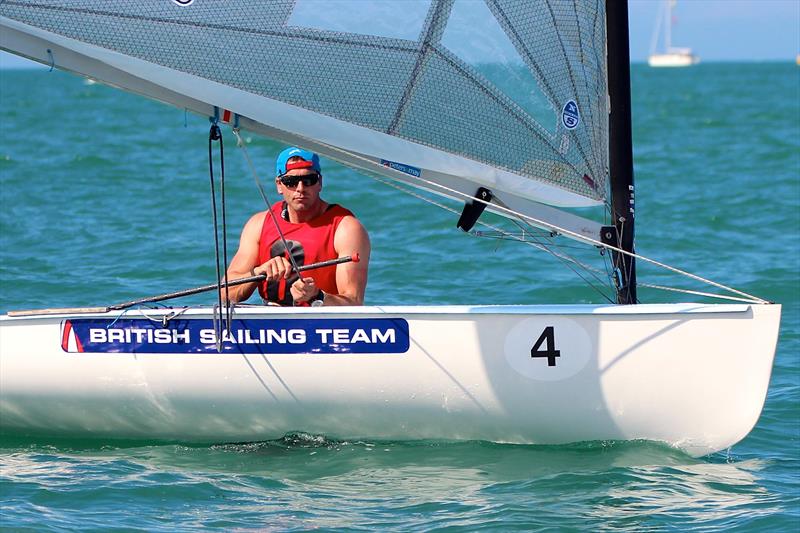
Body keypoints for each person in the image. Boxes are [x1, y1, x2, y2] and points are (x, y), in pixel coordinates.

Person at [222, 147, 370, 306]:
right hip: (269, 324)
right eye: (291, 182)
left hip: (322, 324)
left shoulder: (346, 228)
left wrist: (316, 296)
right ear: (279, 185)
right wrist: (259, 272)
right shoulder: (258, 224)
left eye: (308, 180)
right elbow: (225, 292)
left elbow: (354, 303)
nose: (300, 188)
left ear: (319, 183)